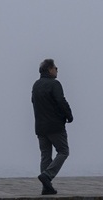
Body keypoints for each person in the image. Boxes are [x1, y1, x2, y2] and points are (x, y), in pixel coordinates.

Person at [32, 58, 73, 196]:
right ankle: (47, 176)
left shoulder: (36, 85)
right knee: (63, 151)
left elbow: (34, 103)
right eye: (55, 67)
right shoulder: (54, 84)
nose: (57, 70)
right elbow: (61, 101)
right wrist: (69, 115)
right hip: (55, 126)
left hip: (40, 127)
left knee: (45, 156)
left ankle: (46, 187)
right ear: (49, 69)